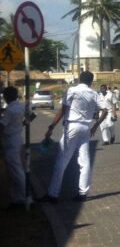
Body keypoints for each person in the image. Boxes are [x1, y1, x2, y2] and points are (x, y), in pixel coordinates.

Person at [44, 70, 107, 202]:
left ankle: (53, 194)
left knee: (62, 160)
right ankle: (82, 192)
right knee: (85, 161)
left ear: (79, 79)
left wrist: (51, 127)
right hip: (86, 128)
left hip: (72, 127)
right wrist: (95, 126)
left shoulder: (72, 90)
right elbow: (105, 110)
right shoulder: (94, 94)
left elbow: (62, 110)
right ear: (91, 81)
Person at [1, 86, 29, 207]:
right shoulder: (21, 106)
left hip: (11, 141)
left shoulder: (10, 110)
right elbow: (32, 116)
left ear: (7, 97)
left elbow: (2, 126)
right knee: (13, 171)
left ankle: (23, 197)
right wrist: (21, 124)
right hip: (17, 137)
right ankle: (16, 198)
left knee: (16, 171)